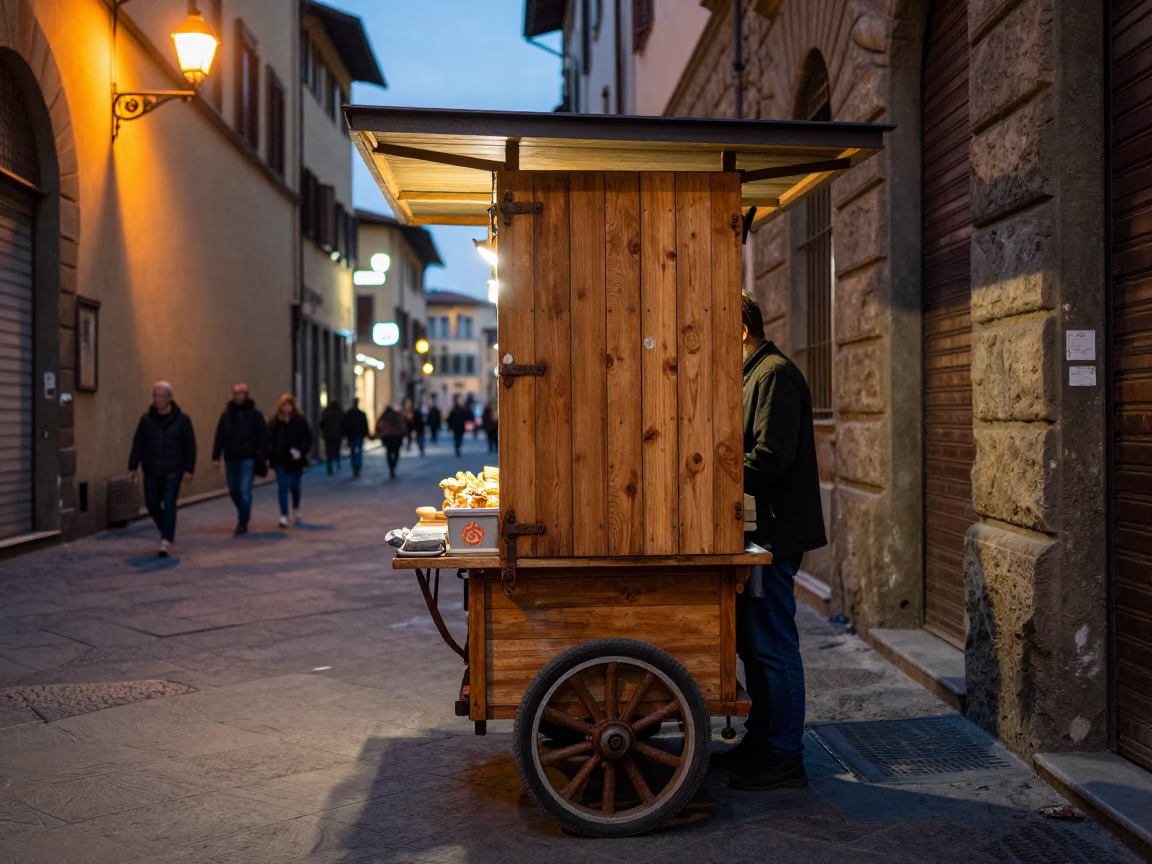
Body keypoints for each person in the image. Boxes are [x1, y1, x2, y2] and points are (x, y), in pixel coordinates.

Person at [717, 291, 827, 793]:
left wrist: (708, 473)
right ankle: (762, 743)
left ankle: (785, 755)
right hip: (760, 532)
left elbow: (770, 459)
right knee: (755, 645)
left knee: (774, 645)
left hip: (776, 533)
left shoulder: (774, 375)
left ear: (741, 329)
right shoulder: (750, 376)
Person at [128, 381, 196, 557]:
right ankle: (167, 528)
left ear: (169, 398)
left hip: (173, 469)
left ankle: (166, 540)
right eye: (154, 396)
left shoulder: (182, 420)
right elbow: (138, 444)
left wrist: (188, 469)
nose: (156, 399)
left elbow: (190, 446)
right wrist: (132, 466)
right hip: (151, 468)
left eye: (160, 396)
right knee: (151, 503)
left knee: (169, 501)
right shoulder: (147, 420)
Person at [211, 383, 266, 535]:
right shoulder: (227, 415)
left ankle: (243, 521)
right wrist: (216, 456)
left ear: (246, 394)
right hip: (230, 457)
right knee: (234, 489)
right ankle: (244, 511)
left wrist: (261, 455)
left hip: (248, 458)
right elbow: (220, 435)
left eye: (241, 393)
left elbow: (262, 436)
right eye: (235, 393)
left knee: (244, 490)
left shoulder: (255, 415)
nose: (238, 396)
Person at [267, 393, 312, 528]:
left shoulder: (299, 421)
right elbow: (270, 440)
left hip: (295, 461)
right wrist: (270, 458)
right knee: (282, 487)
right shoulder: (275, 422)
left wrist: (301, 452)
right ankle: (284, 515)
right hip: (280, 459)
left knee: (295, 487)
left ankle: (296, 508)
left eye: (289, 405)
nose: (286, 408)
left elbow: (308, 438)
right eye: (284, 405)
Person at [375, 405, 408, 479]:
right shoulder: (396, 416)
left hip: (388, 437)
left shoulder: (384, 416)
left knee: (389, 452)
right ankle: (393, 466)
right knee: (396, 452)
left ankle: (391, 466)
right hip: (396, 437)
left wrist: (379, 433)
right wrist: (403, 433)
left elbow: (379, 425)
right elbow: (402, 425)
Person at [341, 398, 370, 478]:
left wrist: (345, 434)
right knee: (358, 452)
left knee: (354, 452)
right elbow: (365, 425)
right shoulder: (360, 414)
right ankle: (357, 467)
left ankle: (355, 467)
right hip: (357, 436)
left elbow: (345, 425)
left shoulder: (349, 414)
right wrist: (366, 434)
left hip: (353, 436)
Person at [320, 399, 344, 475]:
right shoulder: (339, 412)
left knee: (329, 452)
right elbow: (343, 424)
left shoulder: (326, 412)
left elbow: (322, 424)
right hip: (337, 436)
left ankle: (330, 466)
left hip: (329, 436)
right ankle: (337, 465)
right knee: (337, 451)